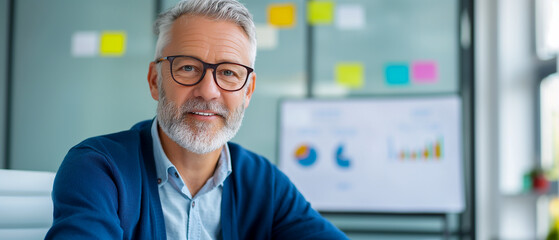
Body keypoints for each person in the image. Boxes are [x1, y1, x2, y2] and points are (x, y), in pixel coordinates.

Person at [45, 0, 348, 239]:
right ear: (155, 81)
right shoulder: (99, 169)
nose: (208, 91)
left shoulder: (264, 183)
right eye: (188, 67)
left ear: (248, 91)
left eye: (229, 72)